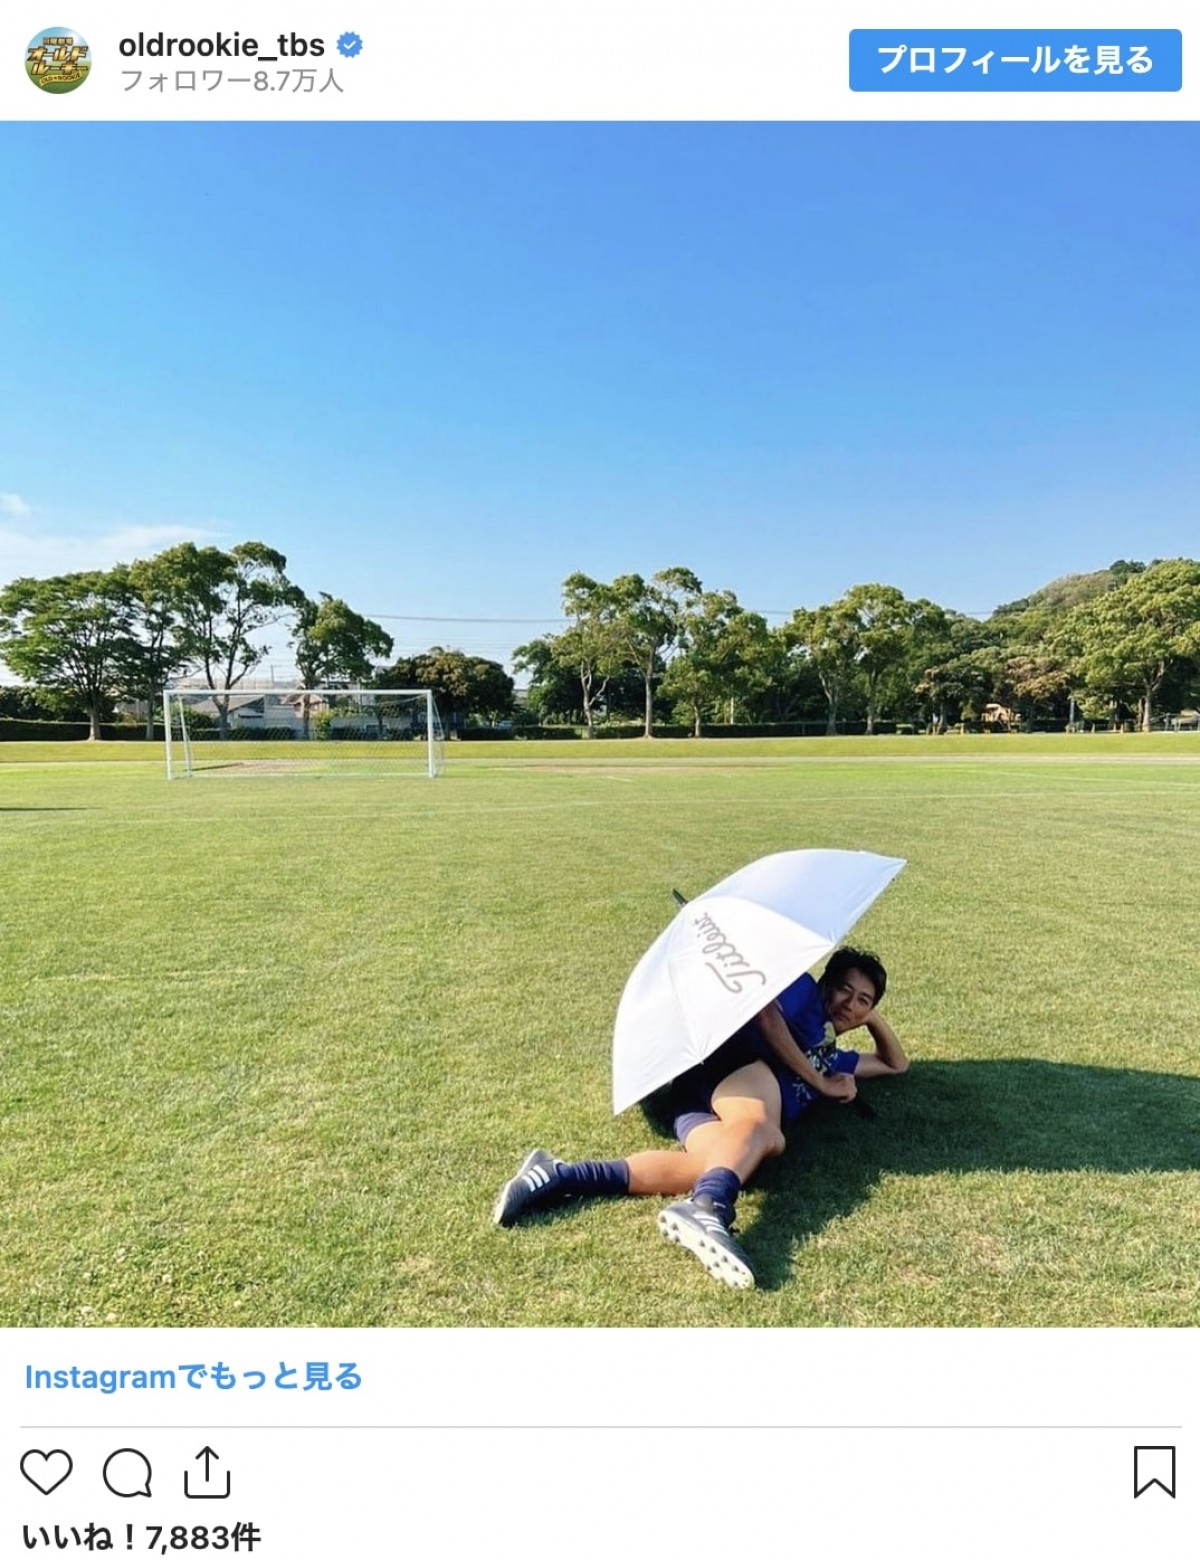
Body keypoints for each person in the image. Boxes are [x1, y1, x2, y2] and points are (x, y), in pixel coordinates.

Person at [492, 946, 907, 1289]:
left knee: (714, 1164)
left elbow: (895, 1065)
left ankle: (559, 1175)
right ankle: (709, 1207)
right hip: (725, 1072)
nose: (847, 1004)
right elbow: (765, 1015)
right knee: (765, 1133)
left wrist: (867, 1020)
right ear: (823, 984)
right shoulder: (800, 991)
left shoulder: (836, 1057)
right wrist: (819, 1081)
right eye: (841, 990)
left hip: (701, 1102)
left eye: (861, 1000)